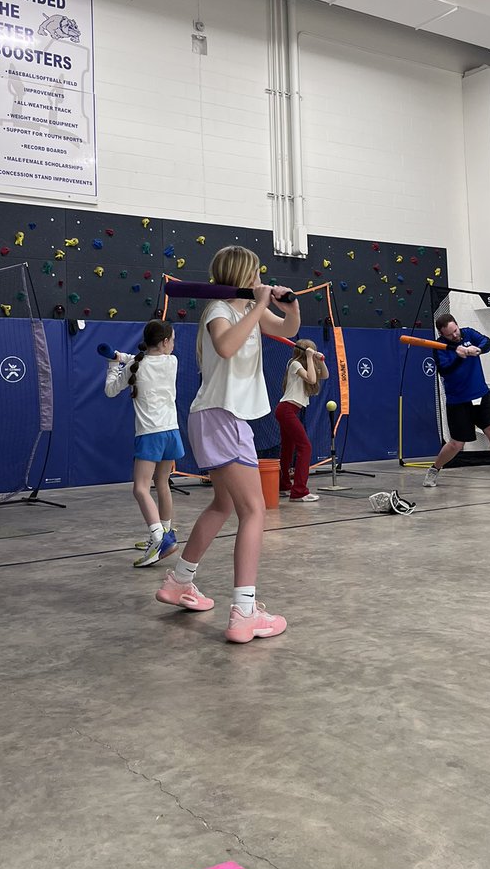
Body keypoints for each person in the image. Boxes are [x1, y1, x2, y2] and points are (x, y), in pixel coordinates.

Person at [155, 244, 300, 643]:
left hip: (222, 418)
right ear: (242, 276)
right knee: (254, 511)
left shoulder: (247, 312)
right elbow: (225, 346)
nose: (260, 280)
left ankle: (179, 582)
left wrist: (290, 307)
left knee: (223, 504)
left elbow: (287, 330)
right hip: (221, 416)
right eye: (255, 273)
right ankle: (244, 612)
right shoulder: (220, 311)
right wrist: (257, 305)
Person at [105, 319, 183, 566]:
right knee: (162, 483)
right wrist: (122, 357)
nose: (174, 343)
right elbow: (143, 359)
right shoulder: (172, 361)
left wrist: (112, 363)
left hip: (150, 434)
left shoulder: (135, 368)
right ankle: (166, 532)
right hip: (171, 431)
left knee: (140, 488)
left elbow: (110, 390)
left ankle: (159, 538)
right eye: (172, 339)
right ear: (164, 343)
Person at [422, 313, 490, 491]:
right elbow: (444, 371)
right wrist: (459, 355)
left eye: (455, 330)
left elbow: (487, 342)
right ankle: (434, 469)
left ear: (457, 325)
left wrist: (477, 350)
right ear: (442, 334)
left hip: (481, 394)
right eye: (450, 334)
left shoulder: (469, 334)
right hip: (457, 401)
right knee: (457, 443)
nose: (455, 335)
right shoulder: (440, 347)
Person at [276, 340, 329, 502]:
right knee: (305, 447)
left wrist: (320, 360)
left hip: (290, 410)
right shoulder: (294, 364)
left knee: (288, 449)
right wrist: (309, 356)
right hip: (286, 410)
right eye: (310, 352)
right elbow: (312, 379)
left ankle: (284, 485)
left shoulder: (307, 364)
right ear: (305, 352)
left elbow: (325, 375)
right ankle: (299, 491)